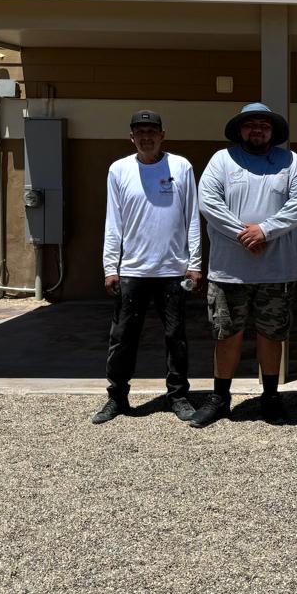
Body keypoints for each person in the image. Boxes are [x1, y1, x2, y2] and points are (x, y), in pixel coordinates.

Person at [192, 102, 297, 427]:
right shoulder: (222, 161)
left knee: (271, 335)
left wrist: (266, 231)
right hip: (229, 271)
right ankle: (220, 398)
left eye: (264, 124)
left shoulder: (291, 162)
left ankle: (271, 397)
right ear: (240, 130)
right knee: (226, 334)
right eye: (250, 124)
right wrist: (243, 234)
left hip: (278, 270)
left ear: (273, 131)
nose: (257, 129)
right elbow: (208, 201)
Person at [95, 110, 202, 424]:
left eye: (151, 131)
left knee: (176, 335)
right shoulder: (118, 170)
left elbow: (192, 218)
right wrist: (109, 267)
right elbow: (113, 223)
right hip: (132, 272)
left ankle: (178, 396)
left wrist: (194, 264)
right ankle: (117, 397)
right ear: (131, 136)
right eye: (140, 132)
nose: (146, 137)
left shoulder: (181, 167)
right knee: (123, 336)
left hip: (174, 272)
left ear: (162, 134)